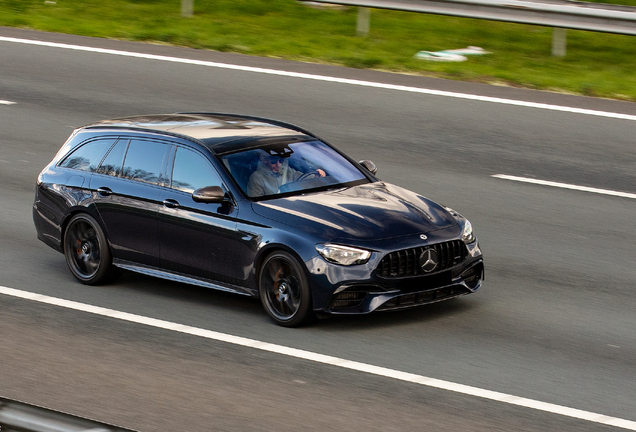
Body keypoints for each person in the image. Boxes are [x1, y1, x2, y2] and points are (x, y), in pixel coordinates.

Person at [247, 154, 325, 197]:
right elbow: (256, 204)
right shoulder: (256, 178)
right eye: (274, 161)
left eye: (280, 161)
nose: (278, 165)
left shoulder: (287, 171)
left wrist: (316, 176)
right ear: (265, 161)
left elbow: (303, 178)